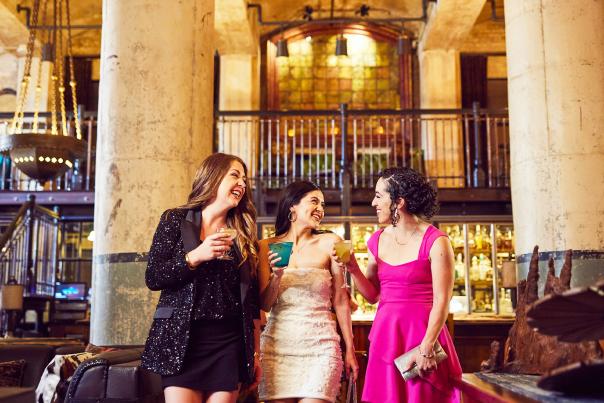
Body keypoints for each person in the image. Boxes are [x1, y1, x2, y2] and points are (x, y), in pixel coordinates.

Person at [141, 153, 262, 403]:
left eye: (245, 179)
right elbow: (153, 277)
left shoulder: (243, 236)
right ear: (213, 177)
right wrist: (195, 256)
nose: (242, 183)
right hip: (182, 342)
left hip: (228, 343)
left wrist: (255, 354)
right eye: (235, 175)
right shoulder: (174, 219)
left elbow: (251, 305)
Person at [337, 167, 462, 403]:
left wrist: (427, 346)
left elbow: (442, 301)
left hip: (423, 335)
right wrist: (352, 268)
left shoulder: (437, 241)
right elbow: (373, 295)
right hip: (387, 335)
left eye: (379, 196)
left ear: (399, 202)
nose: (373, 202)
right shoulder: (376, 240)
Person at [258, 180, 359, 403]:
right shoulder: (266, 246)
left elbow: (341, 300)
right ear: (292, 206)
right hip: (277, 347)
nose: (320, 209)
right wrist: (276, 276)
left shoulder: (331, 242)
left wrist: (350, 348)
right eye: (314, 201)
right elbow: (264, 305)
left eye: (323, 204)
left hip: (321, 348)